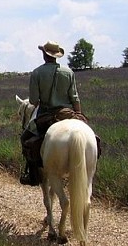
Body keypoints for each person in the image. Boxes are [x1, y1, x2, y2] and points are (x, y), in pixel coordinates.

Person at [20, 40, 82, 186]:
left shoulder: (37, 73)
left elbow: (34, 101)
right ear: (57, 56)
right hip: (68, 113)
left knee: (25, 139)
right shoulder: (69, 72)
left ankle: (32, 175)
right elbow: (75, 97)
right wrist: (78, 114)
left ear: (44, 54)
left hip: (46, 116)